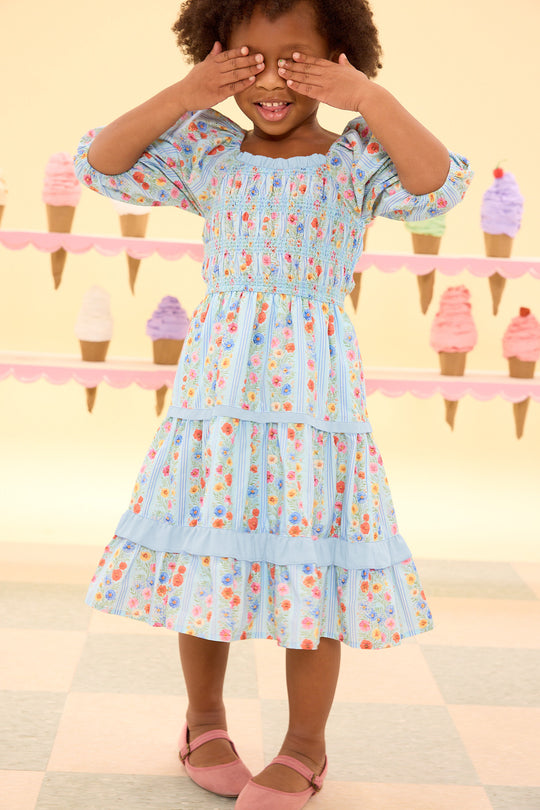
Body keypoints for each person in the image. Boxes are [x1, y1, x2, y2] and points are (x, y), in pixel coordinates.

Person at [74, 0, 473, 807]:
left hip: (313, 403)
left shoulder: (354, 158)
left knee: (314, 563)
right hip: (218, 396)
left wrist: (372, 100)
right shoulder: (207, 151)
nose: (271, 77)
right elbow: (100, 163)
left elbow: (438, 186)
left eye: (298, 58)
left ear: (340, 61)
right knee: (209, 551)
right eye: (249, 58)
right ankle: (204, 719)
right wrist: (185, 93)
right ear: (217, 55)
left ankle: (304, 745)